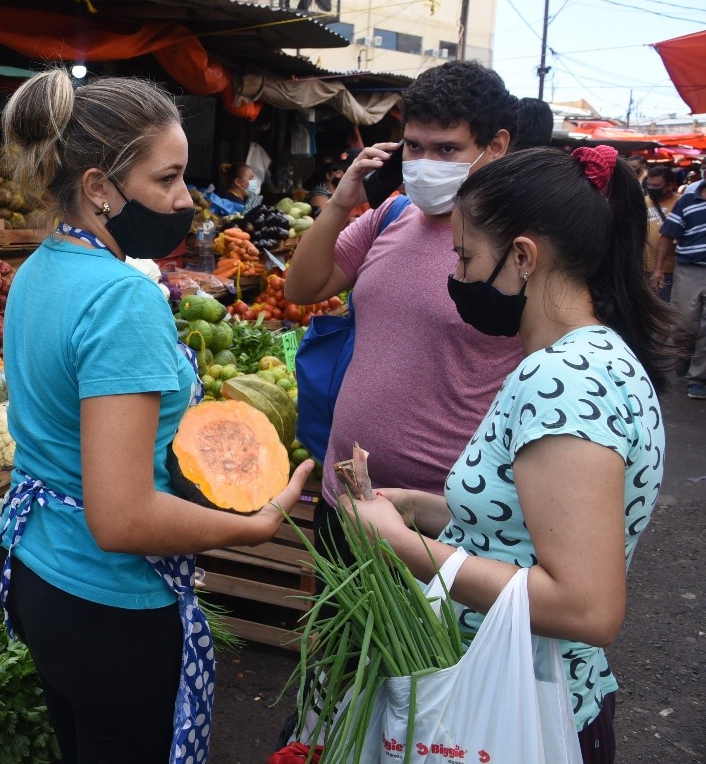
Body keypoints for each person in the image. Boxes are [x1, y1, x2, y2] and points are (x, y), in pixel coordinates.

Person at [0, 69, 308, 763]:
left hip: (40, 571)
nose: (185, 199)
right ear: (101, 185)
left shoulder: (39, 268)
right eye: (167, 179)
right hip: (110, 605)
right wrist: (253, 527)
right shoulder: (120, 299)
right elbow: (122, 516)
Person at [348, 145, 677, 764]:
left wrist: (404, 548)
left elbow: (585, 606)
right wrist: (426, 509)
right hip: (509, 702)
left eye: (467, 256)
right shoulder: (579, 360)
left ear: (523, 257)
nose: (460, 278)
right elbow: (527, 533)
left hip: (520, 717)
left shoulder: (571, 381)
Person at [284, 59, 522, 561]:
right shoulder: (390, 216)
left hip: (442, 516)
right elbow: (301, 287)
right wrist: (340, 200)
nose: (424, 162)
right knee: (341, 640)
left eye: (447, 149)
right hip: (346, 496)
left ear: (494, 147)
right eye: (414, 146)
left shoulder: (520, 248)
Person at [653, 169, 706, 398]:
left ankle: (698, 377)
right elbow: (668, 235)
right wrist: (658, 269)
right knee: (685, 323)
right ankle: (685, 354)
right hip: (689, 270)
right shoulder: (688, 200)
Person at [645, 166, 678, 302]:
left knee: (663, 309)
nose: (652, 188)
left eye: (656, 185)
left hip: (669, 271)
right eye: (649, 185)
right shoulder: (643, 201)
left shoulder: (680, 202)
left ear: (670, 185)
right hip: (643, 268)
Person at [305, 152, 354, 218]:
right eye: (338, 173)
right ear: (328, 176)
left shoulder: (339, 193)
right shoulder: (320, 192)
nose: (343, 176)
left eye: (344, 172)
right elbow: (323, 219)